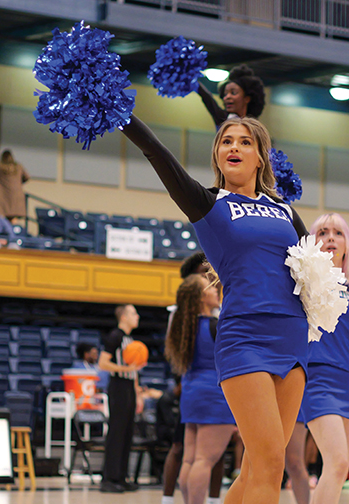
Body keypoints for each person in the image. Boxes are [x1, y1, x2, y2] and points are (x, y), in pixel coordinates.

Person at [121, 115, 308, 504]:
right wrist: (122, 116)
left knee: (259, 466)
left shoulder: (286, 211)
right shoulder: (207, 202)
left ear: (261, 157)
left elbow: (315, 269)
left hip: (293, 342)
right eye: (226, 142)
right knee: (272, 464)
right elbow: (157, 153)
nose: (234, 148)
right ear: (217, 155)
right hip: (246, 339)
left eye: (244, 142)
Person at [297, 213, 349, 504]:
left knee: (340, 468)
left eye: (338, 233)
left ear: (348, 245)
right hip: (319, 377)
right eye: (323, 232)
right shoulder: (305, 278)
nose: (331, 238)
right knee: (335, 463)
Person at [161, 253, 225, 504]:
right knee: (204, 460)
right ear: (201, 296)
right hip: (213, 395)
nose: (214, 287)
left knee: (190, 459)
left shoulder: (185, 325)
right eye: (208, 286)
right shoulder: (214, 324)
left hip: (191, 394)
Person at [97, 304, 142, 493]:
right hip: (118, 387)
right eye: (133, 313)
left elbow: (134, 369)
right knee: (116, 432)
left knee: (127, 433)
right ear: (123, 317)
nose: (137, 316)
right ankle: (108, 478)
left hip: (129, 388)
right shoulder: (115, 336)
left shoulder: (130, 340)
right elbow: (103, 363)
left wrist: (138, 392)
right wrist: (124, 370)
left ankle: (122, 477)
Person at [197, 64, 266, 128]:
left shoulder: (254, 127)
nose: (227, 97)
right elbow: (208, 98)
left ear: (247, 98)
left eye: (233, 93)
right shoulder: (223, 119)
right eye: (225, 94)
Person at [0, 150, 30, 221]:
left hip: (5, 196)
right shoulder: (18, 167)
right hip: (17, 195)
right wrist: (19, 182)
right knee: (14, 216)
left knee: (5, 215)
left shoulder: (0, 168)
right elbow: (27, 177)